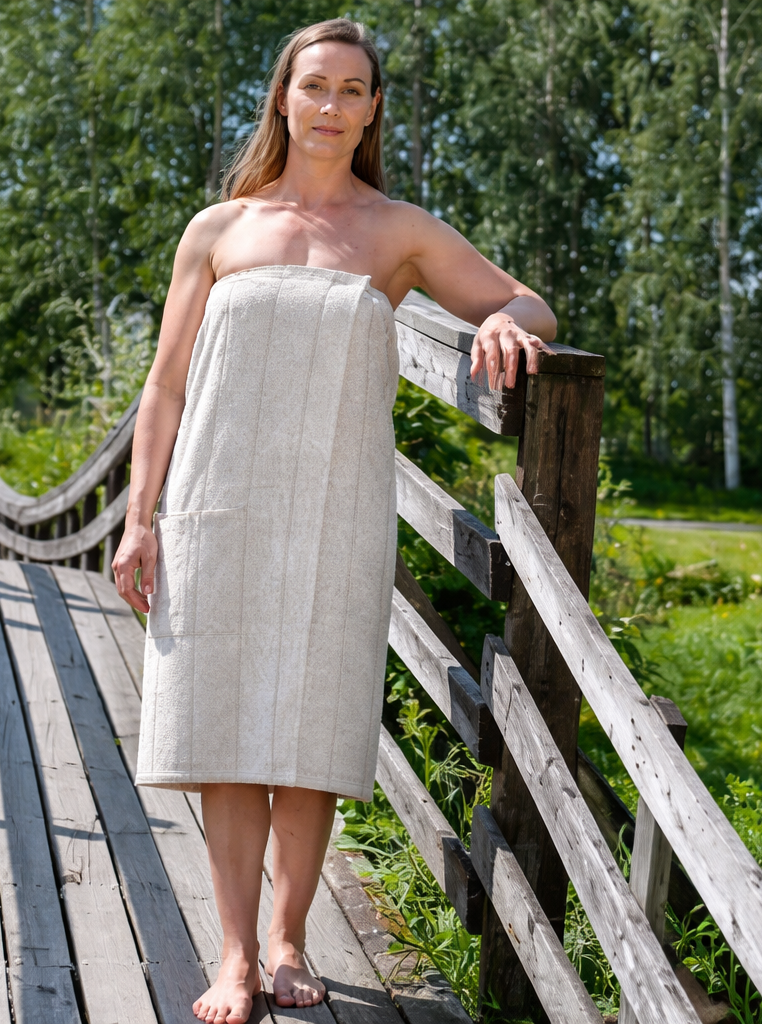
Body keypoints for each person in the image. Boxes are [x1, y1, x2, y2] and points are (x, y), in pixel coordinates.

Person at [112, 18, 556, 1024]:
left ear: (372, 110)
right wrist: (141, 520)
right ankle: (234, 954)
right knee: (226, 728)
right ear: (283, 97)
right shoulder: (218, 230)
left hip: (334, 511)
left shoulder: (398, 231)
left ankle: (288, 936)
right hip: (218, 505)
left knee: (308, 724)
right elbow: (166, 386)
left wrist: (500, 318)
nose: (331, 105)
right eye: (315, 85)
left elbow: (532, 306)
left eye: (353, 90)